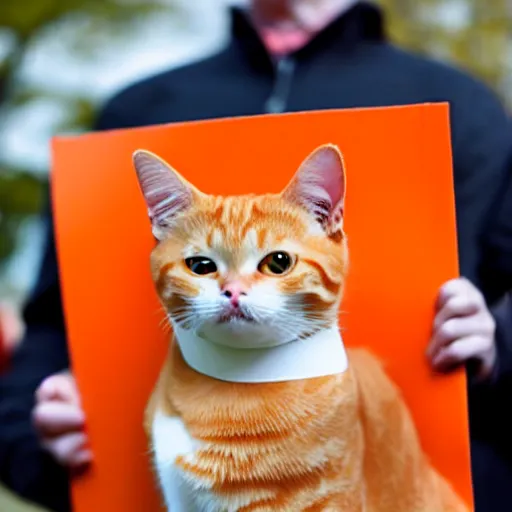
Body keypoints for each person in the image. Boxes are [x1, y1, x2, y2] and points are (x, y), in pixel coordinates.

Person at [1, 1, 512, 511]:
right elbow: (51, 329)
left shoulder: (463, 107)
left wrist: (497, 342)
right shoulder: (133, 112)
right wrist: (41, 439)